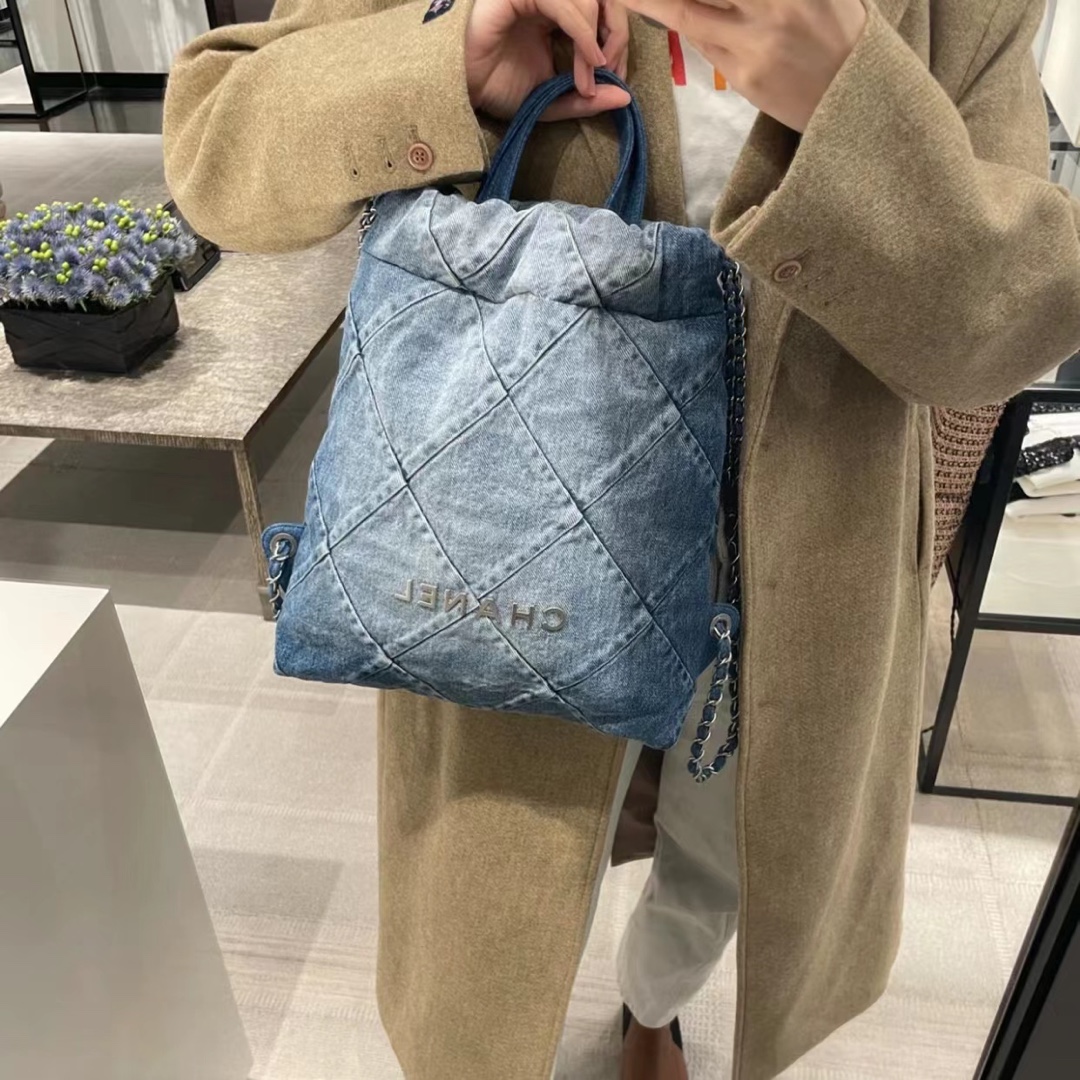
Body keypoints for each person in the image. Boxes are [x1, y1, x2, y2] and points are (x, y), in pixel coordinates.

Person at [163, 1, 1080, 1077]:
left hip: (809, 553)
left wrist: (853, 111)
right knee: (508, 876)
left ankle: (657, 1006)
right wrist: (445, 67)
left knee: (728, 854)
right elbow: (215, 152)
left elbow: (1012, 324)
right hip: (512, 530)